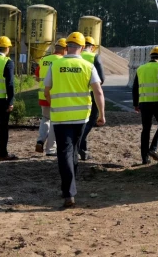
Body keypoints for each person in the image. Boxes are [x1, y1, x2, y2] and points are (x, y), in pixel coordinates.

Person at [42, 32, 105, 209]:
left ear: (67, 46)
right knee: (74, 150)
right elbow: (98, 92)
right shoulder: (87, 65)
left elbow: (47, 90)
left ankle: (68, 192)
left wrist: (53, 102)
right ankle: (71, 187)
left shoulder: (55, 64)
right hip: (81, 117)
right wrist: (101, 114)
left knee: (64, 152)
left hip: (60, 117)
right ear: (82, 47)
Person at [133, 46, 158, 164]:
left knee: (146, 129)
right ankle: (153, 149)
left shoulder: (140, 68)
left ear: (150, 56)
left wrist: (136, 104)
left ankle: (144, 158)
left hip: (144, 103)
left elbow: (135, 88)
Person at [35, 38, 66, 156]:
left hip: (43, 95)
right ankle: (51, 149)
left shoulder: (44, 59)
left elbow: (37, 77)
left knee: (45, 118)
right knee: (55, 121)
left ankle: (40, 140)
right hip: (55, 96)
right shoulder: (62, 61)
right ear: (64, 50)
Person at [78, 36, 105, 160]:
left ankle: (83, 150)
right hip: (90, 94)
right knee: (90, 120)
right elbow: (101, 79)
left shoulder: (75, 56)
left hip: (74, 94)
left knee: (80, 121)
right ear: (93, 47)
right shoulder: (94, 57)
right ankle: (79, 145)